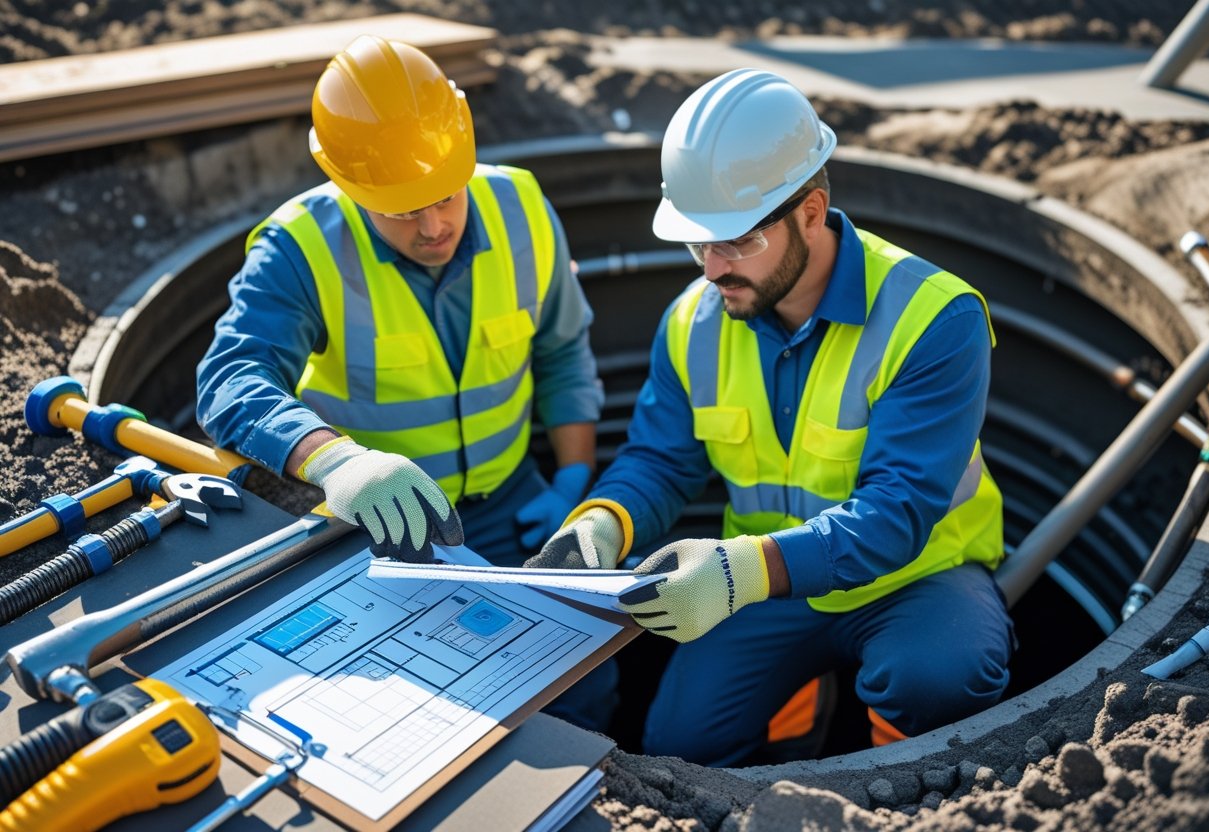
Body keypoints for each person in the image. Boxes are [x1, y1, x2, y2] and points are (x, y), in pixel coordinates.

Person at [527, 68, 1015, 764]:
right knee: (680, 746)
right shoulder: (694, 322)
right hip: (764, 578)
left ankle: (911, 789)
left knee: (939, 676)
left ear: (811, 212)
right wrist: (602, 524)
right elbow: (661, 461)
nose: (711, 269)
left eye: (737, 242)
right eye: (698, 243)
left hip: (914, 578)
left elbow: (899, 511)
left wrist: (737, 574)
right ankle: (789, 755)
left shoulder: (934, 317)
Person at [196, 35, 603, 570]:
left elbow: (564, 350)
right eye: (403, 211)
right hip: (379, 521)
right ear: (351, 186)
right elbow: (231, 378)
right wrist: (337, 463)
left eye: (445, 196)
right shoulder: (300, 248)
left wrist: (573, 478)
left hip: (515, 501)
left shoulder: (523, 209)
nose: (434, 228)